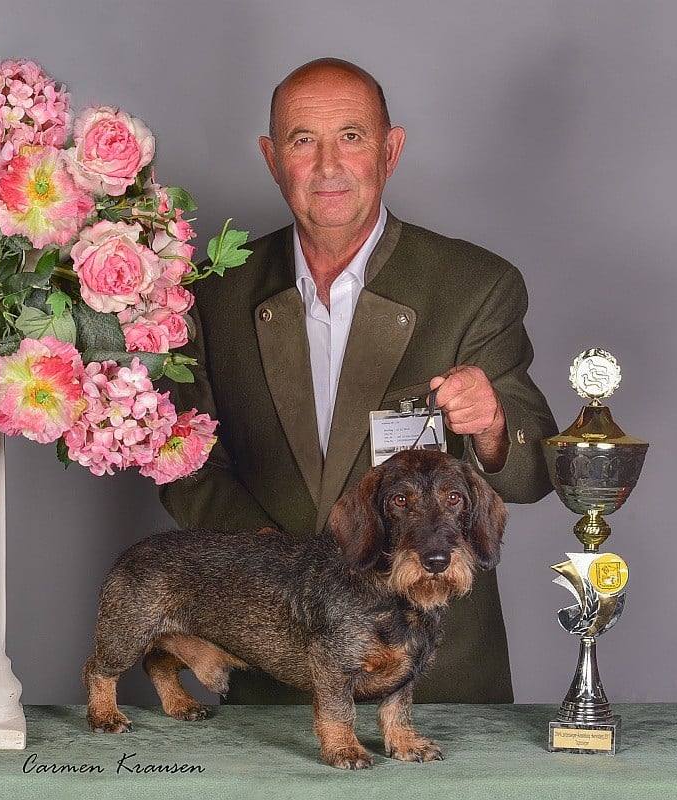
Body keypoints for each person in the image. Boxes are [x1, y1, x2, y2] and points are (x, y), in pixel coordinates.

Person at [160, 58, 557, 704]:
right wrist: (264, 555)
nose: (327, 166)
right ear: (270, 156)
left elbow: (537, 471)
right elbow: (182, 458)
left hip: (439, 683)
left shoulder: (476, 286)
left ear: (390, 150)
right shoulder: (211, 292)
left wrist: (490, 426)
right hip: (279, 667)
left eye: (352, 137)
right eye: (301, 141)